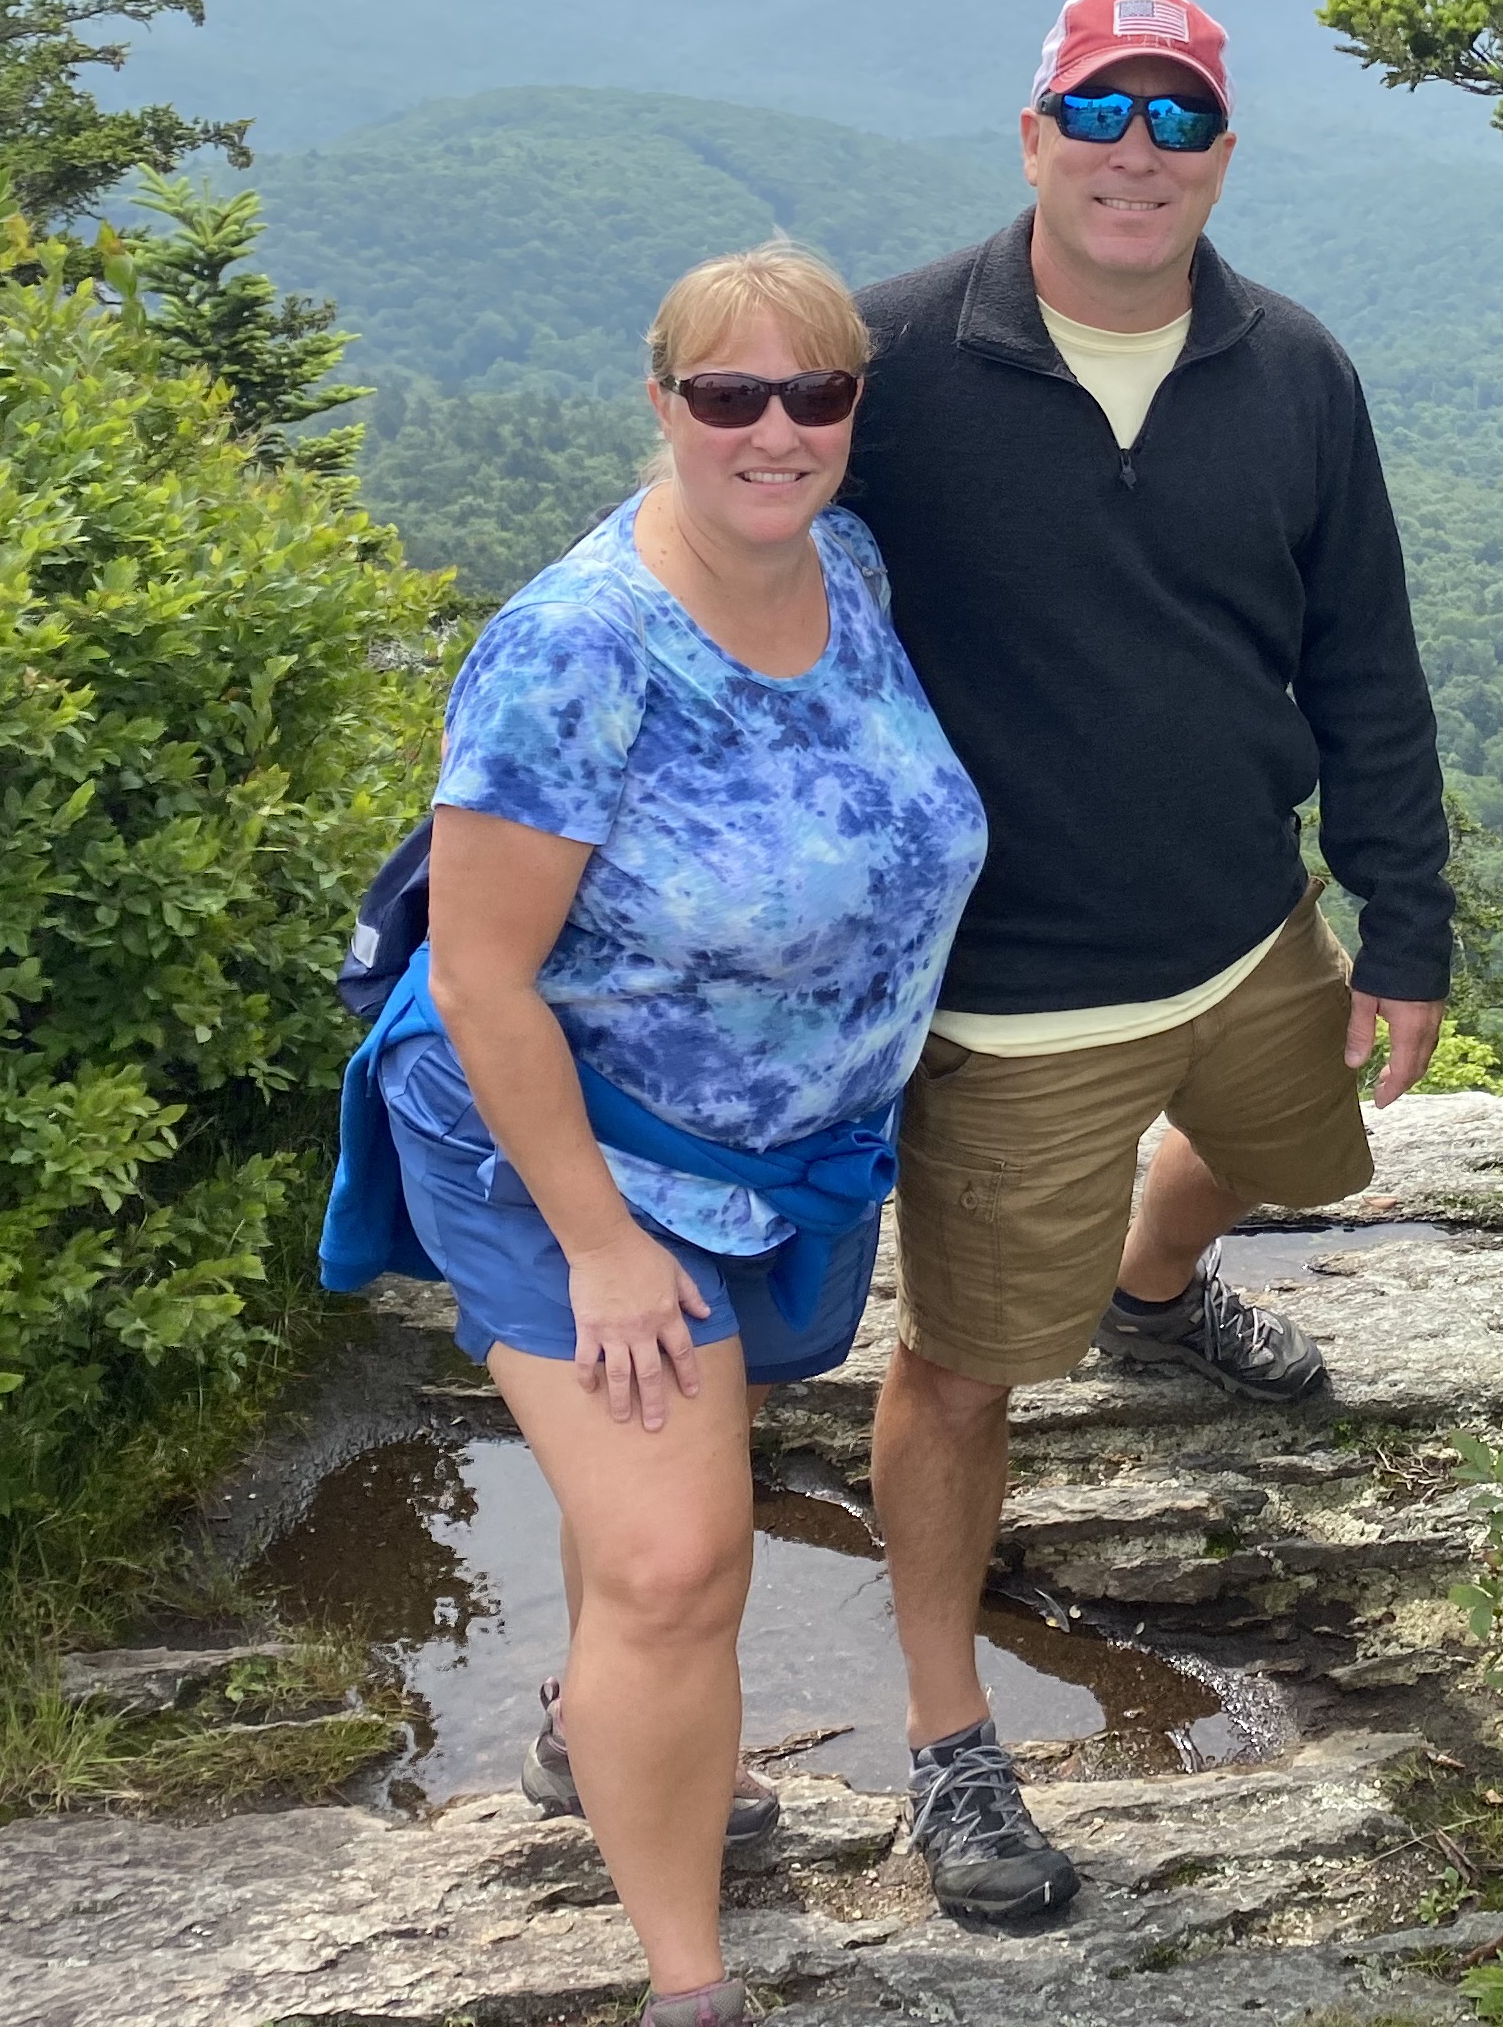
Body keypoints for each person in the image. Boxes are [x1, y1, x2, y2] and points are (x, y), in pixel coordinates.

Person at [319, 243, 988, 2027]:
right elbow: (482, 980)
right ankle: (689, 1984)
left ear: (854, 410)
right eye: (728, 395)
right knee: (683, 1560)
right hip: (567, 1147)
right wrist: (604, 1245)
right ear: (663, 402)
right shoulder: (577, 648)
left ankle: (588, 1726)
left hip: (768, 1160)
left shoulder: (848, 566)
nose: (775, 430)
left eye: (815, 394)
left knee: (653, 1520)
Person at [844, 0, 1452, 1927]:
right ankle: (951, 1744)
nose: (1137, 152)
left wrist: (1405, 916)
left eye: (1176, 118)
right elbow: (733, 550)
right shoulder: (892, 359)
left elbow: (1363, 657)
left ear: (1222, 155)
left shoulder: (1294, 370)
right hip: (1011, 988)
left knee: (1295, 1151)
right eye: (1100, 114)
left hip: (1248, 925)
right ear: (1035, 136)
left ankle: (1155, 1284)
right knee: (963, 1365)